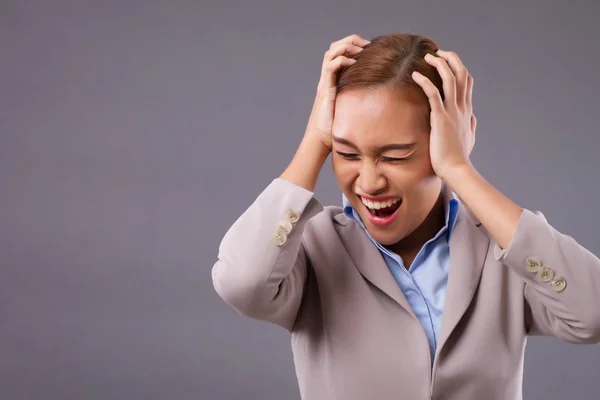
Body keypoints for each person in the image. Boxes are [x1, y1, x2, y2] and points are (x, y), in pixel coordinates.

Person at [211, 32, 600, 400]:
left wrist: (460, 170)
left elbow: (593, 314)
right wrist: (315, 140)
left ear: (444, 143)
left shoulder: (503, 247)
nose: (368, 182)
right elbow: (242, 283)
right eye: (346, 153)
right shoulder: (313, 246)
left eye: (394, 156)